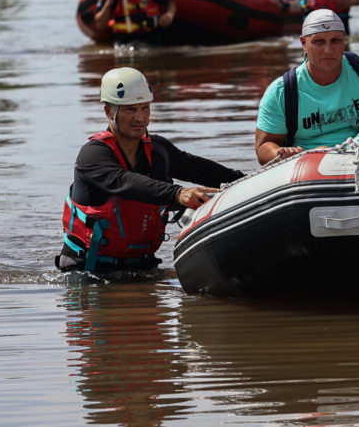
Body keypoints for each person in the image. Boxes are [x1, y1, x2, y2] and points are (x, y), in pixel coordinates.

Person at [58, 67, 246, 275]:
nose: (140, 118)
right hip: (89, 271)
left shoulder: (158, 150)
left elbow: (199, 169)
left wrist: (245, 180)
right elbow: (125, 182)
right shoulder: (92, 155)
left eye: (145, 108)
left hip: (142, 267)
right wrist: (179, 194)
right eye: (131, 110)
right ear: (109, 112)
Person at [254, 9, 359, 164]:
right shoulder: (281, 92)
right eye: (319, 42)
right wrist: (281, 153)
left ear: (344, 41)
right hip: (310, 169)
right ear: (303, 43)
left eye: (335, 41)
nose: (328, 50)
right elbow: (263, 146)